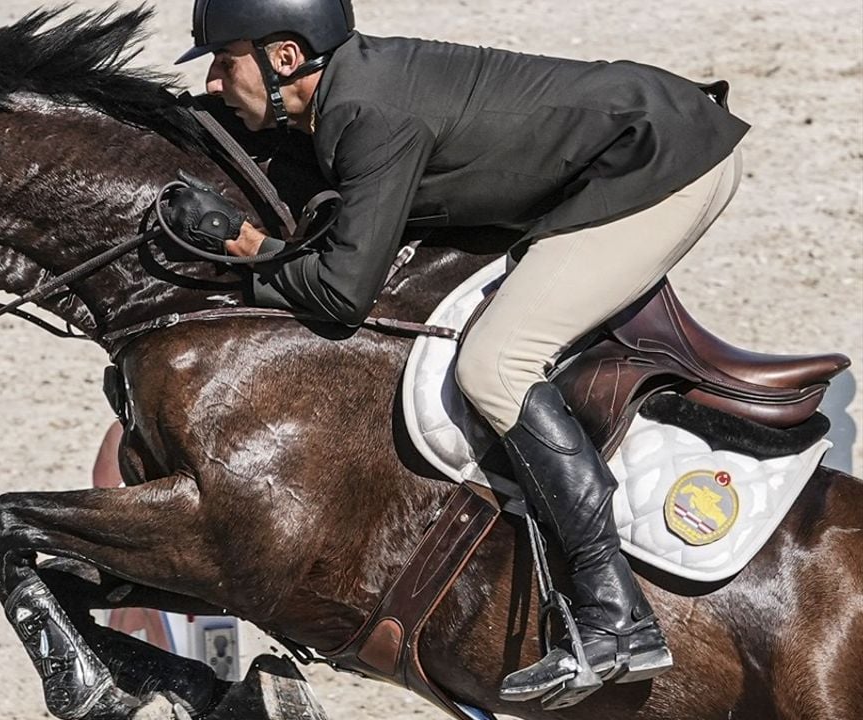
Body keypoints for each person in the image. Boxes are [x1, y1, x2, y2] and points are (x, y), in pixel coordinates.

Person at [163, 0, 747, 708]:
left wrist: (248, 250)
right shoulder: (349, 93)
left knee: (495, 363)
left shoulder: (364, 112)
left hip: (662, 163)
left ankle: (613, 616)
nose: (216, 85)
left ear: (285, 59)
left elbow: (343, 295)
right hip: (630, 146)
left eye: (226, 64)